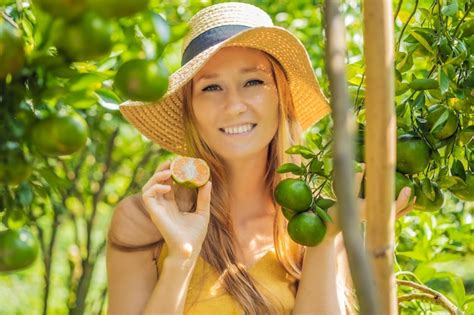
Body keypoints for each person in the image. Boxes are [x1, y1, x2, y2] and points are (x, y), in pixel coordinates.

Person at [106, 2, 416, 314]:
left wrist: (326, 238)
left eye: (253, 82)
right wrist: (181, 258)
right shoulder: (144, 222)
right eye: (211, 87)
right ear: (190, 110)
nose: (234, 105)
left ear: (281, 96)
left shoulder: (309, 217)